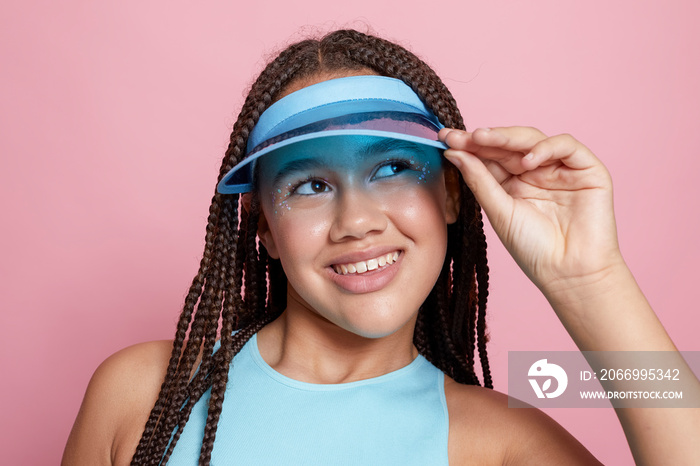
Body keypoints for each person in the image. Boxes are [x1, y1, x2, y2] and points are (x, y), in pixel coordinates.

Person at [62, 29, 699, 465]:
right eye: (310, 184)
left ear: (452, 194)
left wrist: (589, 280)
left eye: (393, 167)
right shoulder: (144, 395)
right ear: (264, 230)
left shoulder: (500, 445)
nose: (357, 221)